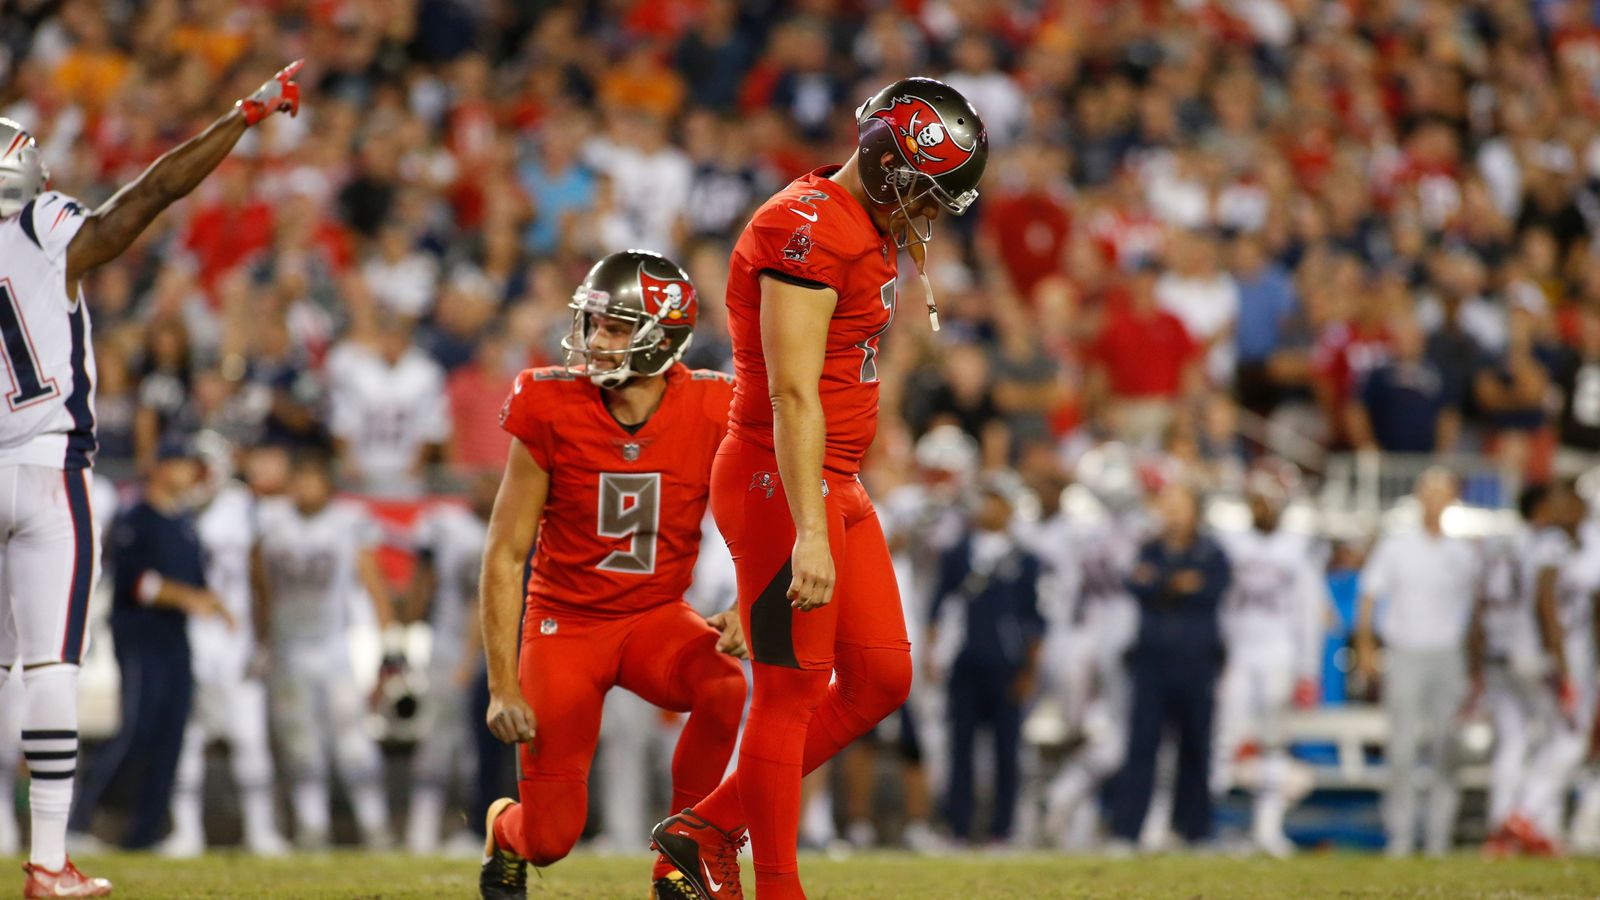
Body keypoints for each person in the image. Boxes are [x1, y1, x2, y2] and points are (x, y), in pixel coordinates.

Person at [651, 76, 988, 900]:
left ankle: (703, 829)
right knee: (793, 687)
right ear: (888, 170)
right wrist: (806, 530)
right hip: (782, 475)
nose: (934, 214)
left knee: (880, 679)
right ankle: (778, 888)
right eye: (929, 194)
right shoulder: (804, 231)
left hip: (828, 474)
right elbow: (791, 394)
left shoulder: (861, 222)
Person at [0, 59, 302, 898]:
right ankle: (49, 862)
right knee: (49, 666)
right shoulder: (41, 223)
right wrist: (242, 114)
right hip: (49, 463)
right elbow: (145, 200)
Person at [478, 250, 749, 900]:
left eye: (617, 328)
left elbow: (770, 509)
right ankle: (505, 833)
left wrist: (750, 600)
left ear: (664, 335)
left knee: (723, 685)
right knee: (552, 837)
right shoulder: (549, 404)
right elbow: (505, 552)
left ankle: (683, 853)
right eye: (594, 324)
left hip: (655, 615)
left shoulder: (715, 405)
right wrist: (503, 684)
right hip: (564, 625)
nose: (597, 341)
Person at [69, 434, 232, 857]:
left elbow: (195, 582)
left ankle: (145, 834)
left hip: (174, 637)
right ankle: (78, 821)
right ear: (158, 467)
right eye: (178, 463)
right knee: (135, 730)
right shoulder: (136, 517)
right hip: (141, 635)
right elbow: (134, 582)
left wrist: (214, 602)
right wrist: (190, 598)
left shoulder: (183, 522)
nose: (186, 472)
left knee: (170, 735)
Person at [253, 451, 397, 850]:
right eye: (298, 479)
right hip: (288, 648)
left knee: (352, 742)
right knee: (300, 742)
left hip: (335, 647)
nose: (303, 488)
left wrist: (388, 643)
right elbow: (259, 582)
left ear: (327, 485)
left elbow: (373, 582)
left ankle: (375, 825)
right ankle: (311, 826)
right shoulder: (271, 521)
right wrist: (261, 639)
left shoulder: (347, 522)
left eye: (312, 479)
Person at [163, 438, 290, 857]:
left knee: (250, 737)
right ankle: (185, 832)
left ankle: (261, 831)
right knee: (187, 738)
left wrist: (263, 636)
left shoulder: (243, 506)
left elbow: (258, 575)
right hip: (192, 634)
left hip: (236, 637)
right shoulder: (175, 508)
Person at [1354, 468, 1481, 857]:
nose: (1433, 500)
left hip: (1447, 656)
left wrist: (1474, 665)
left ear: (1452, 499)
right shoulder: (1396, 546)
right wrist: (1365, 646)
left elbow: (1476, 613)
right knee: (1403, 748)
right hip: (1406, 651)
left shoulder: (1464, 554)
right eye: (1428, 492)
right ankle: (1401, 835)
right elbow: (1369, 596)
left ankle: (1439, 837)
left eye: (1441, 492)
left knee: (1447, 748)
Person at [1110, 481, 1232, 849]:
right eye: (1167, 505)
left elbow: (1212, 589)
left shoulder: (1212, 552)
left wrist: (1163, 585)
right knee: (1142, 747)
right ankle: (1127, 831)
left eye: (1179, 505)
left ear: (1194, 511)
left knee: (1196, 747)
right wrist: (1175, 585)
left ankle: (1195, 831)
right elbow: (1138, 587)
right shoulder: (1149, 549)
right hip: (1152, 661)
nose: (1172, 513)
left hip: (1197, 661)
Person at [1212, 468, 1327, 857]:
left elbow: (1308, 613)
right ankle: (1205, 825)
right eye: (1254, 502)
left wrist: (1308, 670)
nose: (1259, 509)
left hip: (1278, 654)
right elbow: (1222, 604)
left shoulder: (1296, 549)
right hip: (1240, 654)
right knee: (1222, 740)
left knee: (1274, 743)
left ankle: (1267, 828)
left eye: (1265, 502)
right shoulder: (1232, 544)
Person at [928, 472, 1044, 845]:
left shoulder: (1026, 560)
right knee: (959, 746)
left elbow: (1036, 619)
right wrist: (933, 652)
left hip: (1006, 664)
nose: (988, 508)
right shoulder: (957, 552)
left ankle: (1002, 829)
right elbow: (937, 606)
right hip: (964, 662)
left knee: (1007, 750)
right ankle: (957, 826)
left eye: (996, 500)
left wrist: (1029, 669)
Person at [404, 471, 496, 855]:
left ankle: (476, 828)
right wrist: (406, 627)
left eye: (493, 483)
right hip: (447, 645)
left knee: (482, 749)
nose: (485, 490)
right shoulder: (446, 525)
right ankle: (421, 829)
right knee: (438, 741)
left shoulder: (516, 527)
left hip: (497, 652)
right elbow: (423, 580)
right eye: (481, 482)